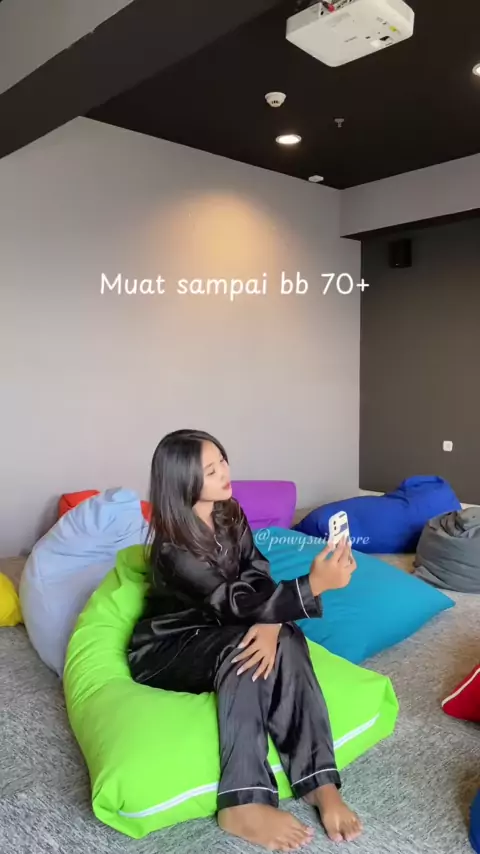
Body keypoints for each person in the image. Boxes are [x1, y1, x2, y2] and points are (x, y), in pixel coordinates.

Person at [128, 429, 363, 851]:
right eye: (210, 470)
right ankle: (243, 802)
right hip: (171, 646)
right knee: (245, 651)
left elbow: (256, 571)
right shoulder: (173, 550)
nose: (225, 473)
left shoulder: (229, 511)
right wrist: (313, 585)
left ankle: (318, 780)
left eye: (222, 460)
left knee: (287, 635)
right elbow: (231, 602)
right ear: (183, 481)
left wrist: (272, 623)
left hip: (225, 624)